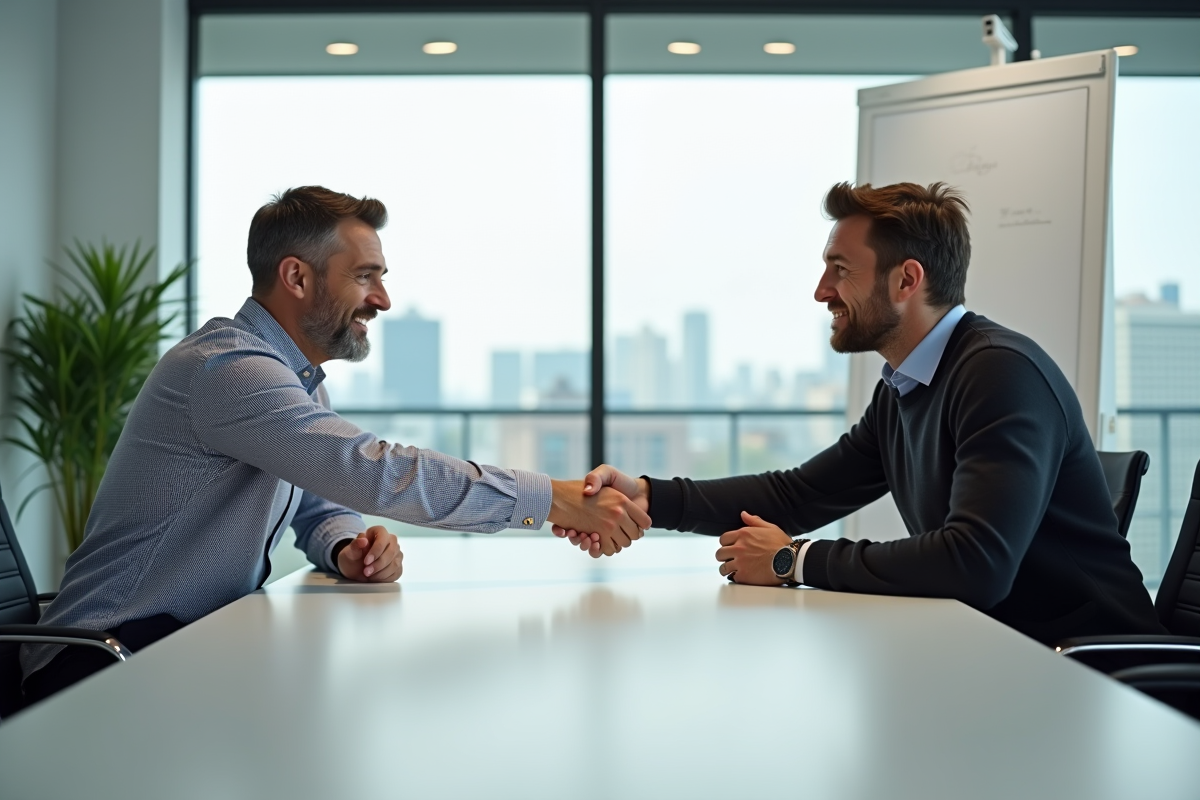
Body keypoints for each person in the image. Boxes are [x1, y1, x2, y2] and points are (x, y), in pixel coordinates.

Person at [22, 186, 650, 704]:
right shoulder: (231, 370)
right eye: (365, 277)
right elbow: (369, 472)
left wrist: (345, 545)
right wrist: (552, 498)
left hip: (176, 646)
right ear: (295, 276)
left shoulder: (291, 377)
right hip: (105, 661)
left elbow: (322, 497)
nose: (381, 299)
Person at [557, 181, 1164, 646]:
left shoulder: (999, 373)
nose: (822, 291)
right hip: (995, 649)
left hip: (1089, 670)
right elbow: (799, 494)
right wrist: (648, 496)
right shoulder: (906, 384)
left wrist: (791, 561)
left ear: (907, 280)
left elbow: (975, 563)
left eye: (840, 271)